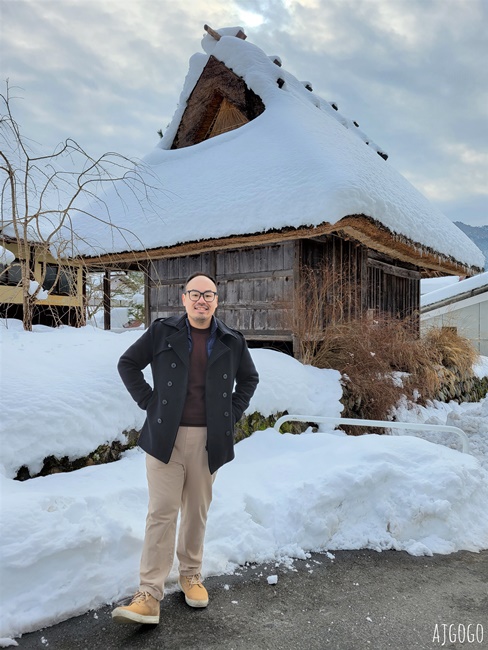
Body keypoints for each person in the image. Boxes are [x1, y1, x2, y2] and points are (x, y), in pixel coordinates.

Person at [111, 272, 259, 625]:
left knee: (196, 512)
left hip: (210, 441)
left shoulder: (231, 340)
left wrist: (231, 414)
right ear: (183, 299)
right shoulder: (162, 332)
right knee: (161, 512)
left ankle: (191, 574)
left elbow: (249, 379)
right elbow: (128, 364)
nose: (201, 300)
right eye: (195, 294)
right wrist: (150, 402)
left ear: (217, 300)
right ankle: (149, 593)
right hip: (165, 439)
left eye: (208, 294)